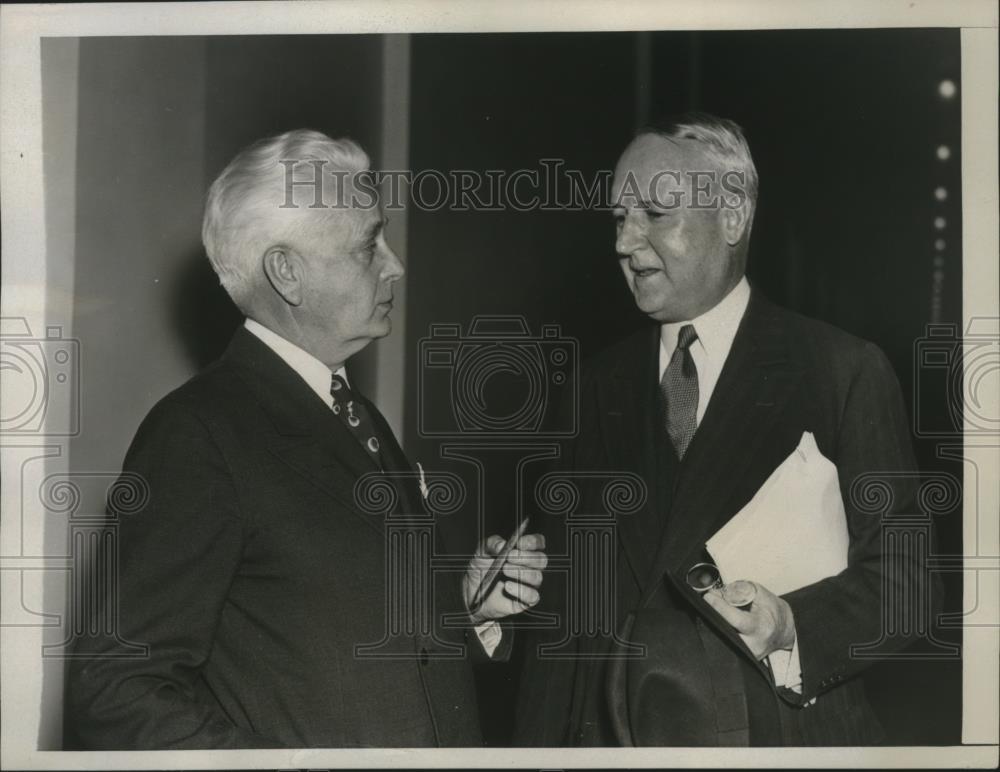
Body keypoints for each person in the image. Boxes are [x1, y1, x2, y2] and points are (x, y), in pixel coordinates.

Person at [64, 129, 546, 749]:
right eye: (369, 244)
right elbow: (116, 687)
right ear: (287, 273)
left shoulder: (355, 415)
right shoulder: (199, 433)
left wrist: (464, 610)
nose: (395, 263)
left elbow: (338, 646)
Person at [515, 113, 931, 746]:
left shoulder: (843, 370)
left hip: (777, 739)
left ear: (732, 217)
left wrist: (793, 624)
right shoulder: (590, 388)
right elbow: (561, 624)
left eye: (653, 214)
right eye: (618, 219)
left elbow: (904, 587)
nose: (625, 243)